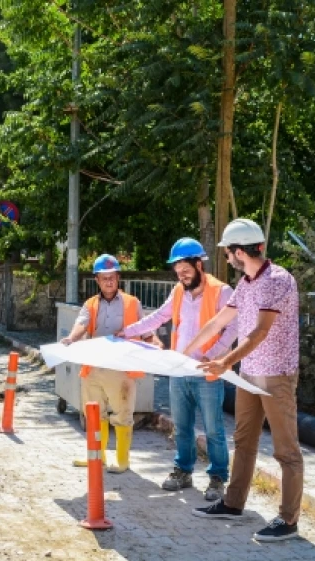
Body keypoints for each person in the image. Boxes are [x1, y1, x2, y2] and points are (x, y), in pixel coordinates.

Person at [183, 219, 303, 542]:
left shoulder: (277, 280)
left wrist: (223, 362)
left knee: (286, 451)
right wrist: (185, 351)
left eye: (227, 253)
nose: (226, 258)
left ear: (239, 251)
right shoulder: (246, 283)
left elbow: (260, 332)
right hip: (250, 373)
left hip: (276, 376)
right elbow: (218, 322)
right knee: (244, 441)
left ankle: (288, 520)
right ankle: (233, 504)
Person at [118, 238, 238, 501]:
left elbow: (234, 326)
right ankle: (183, 471)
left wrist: (215, 353)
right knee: (182, 427)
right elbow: (159, 317)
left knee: (214, 429)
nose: (181, 275)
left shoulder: (222, 291)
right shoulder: (178, 292)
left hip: (207, 372)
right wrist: (127, 332)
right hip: (179, 370)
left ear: (199, 264)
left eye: (186, 270)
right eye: (177, 270)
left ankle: (218, 478)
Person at [60, 254, 148, 473]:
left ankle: (122, 459)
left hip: (121, 368)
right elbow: (82, 324)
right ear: (97, 280)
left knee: (122, 413)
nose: (108, 281)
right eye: (104, 278)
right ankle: (96, 456)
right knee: (94, 412)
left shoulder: (132, 303)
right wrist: (71, 338)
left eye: (112, 277)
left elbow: (145, 329)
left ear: (118, 278)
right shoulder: (90, 304)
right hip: (95, 366)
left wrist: (155, 344)